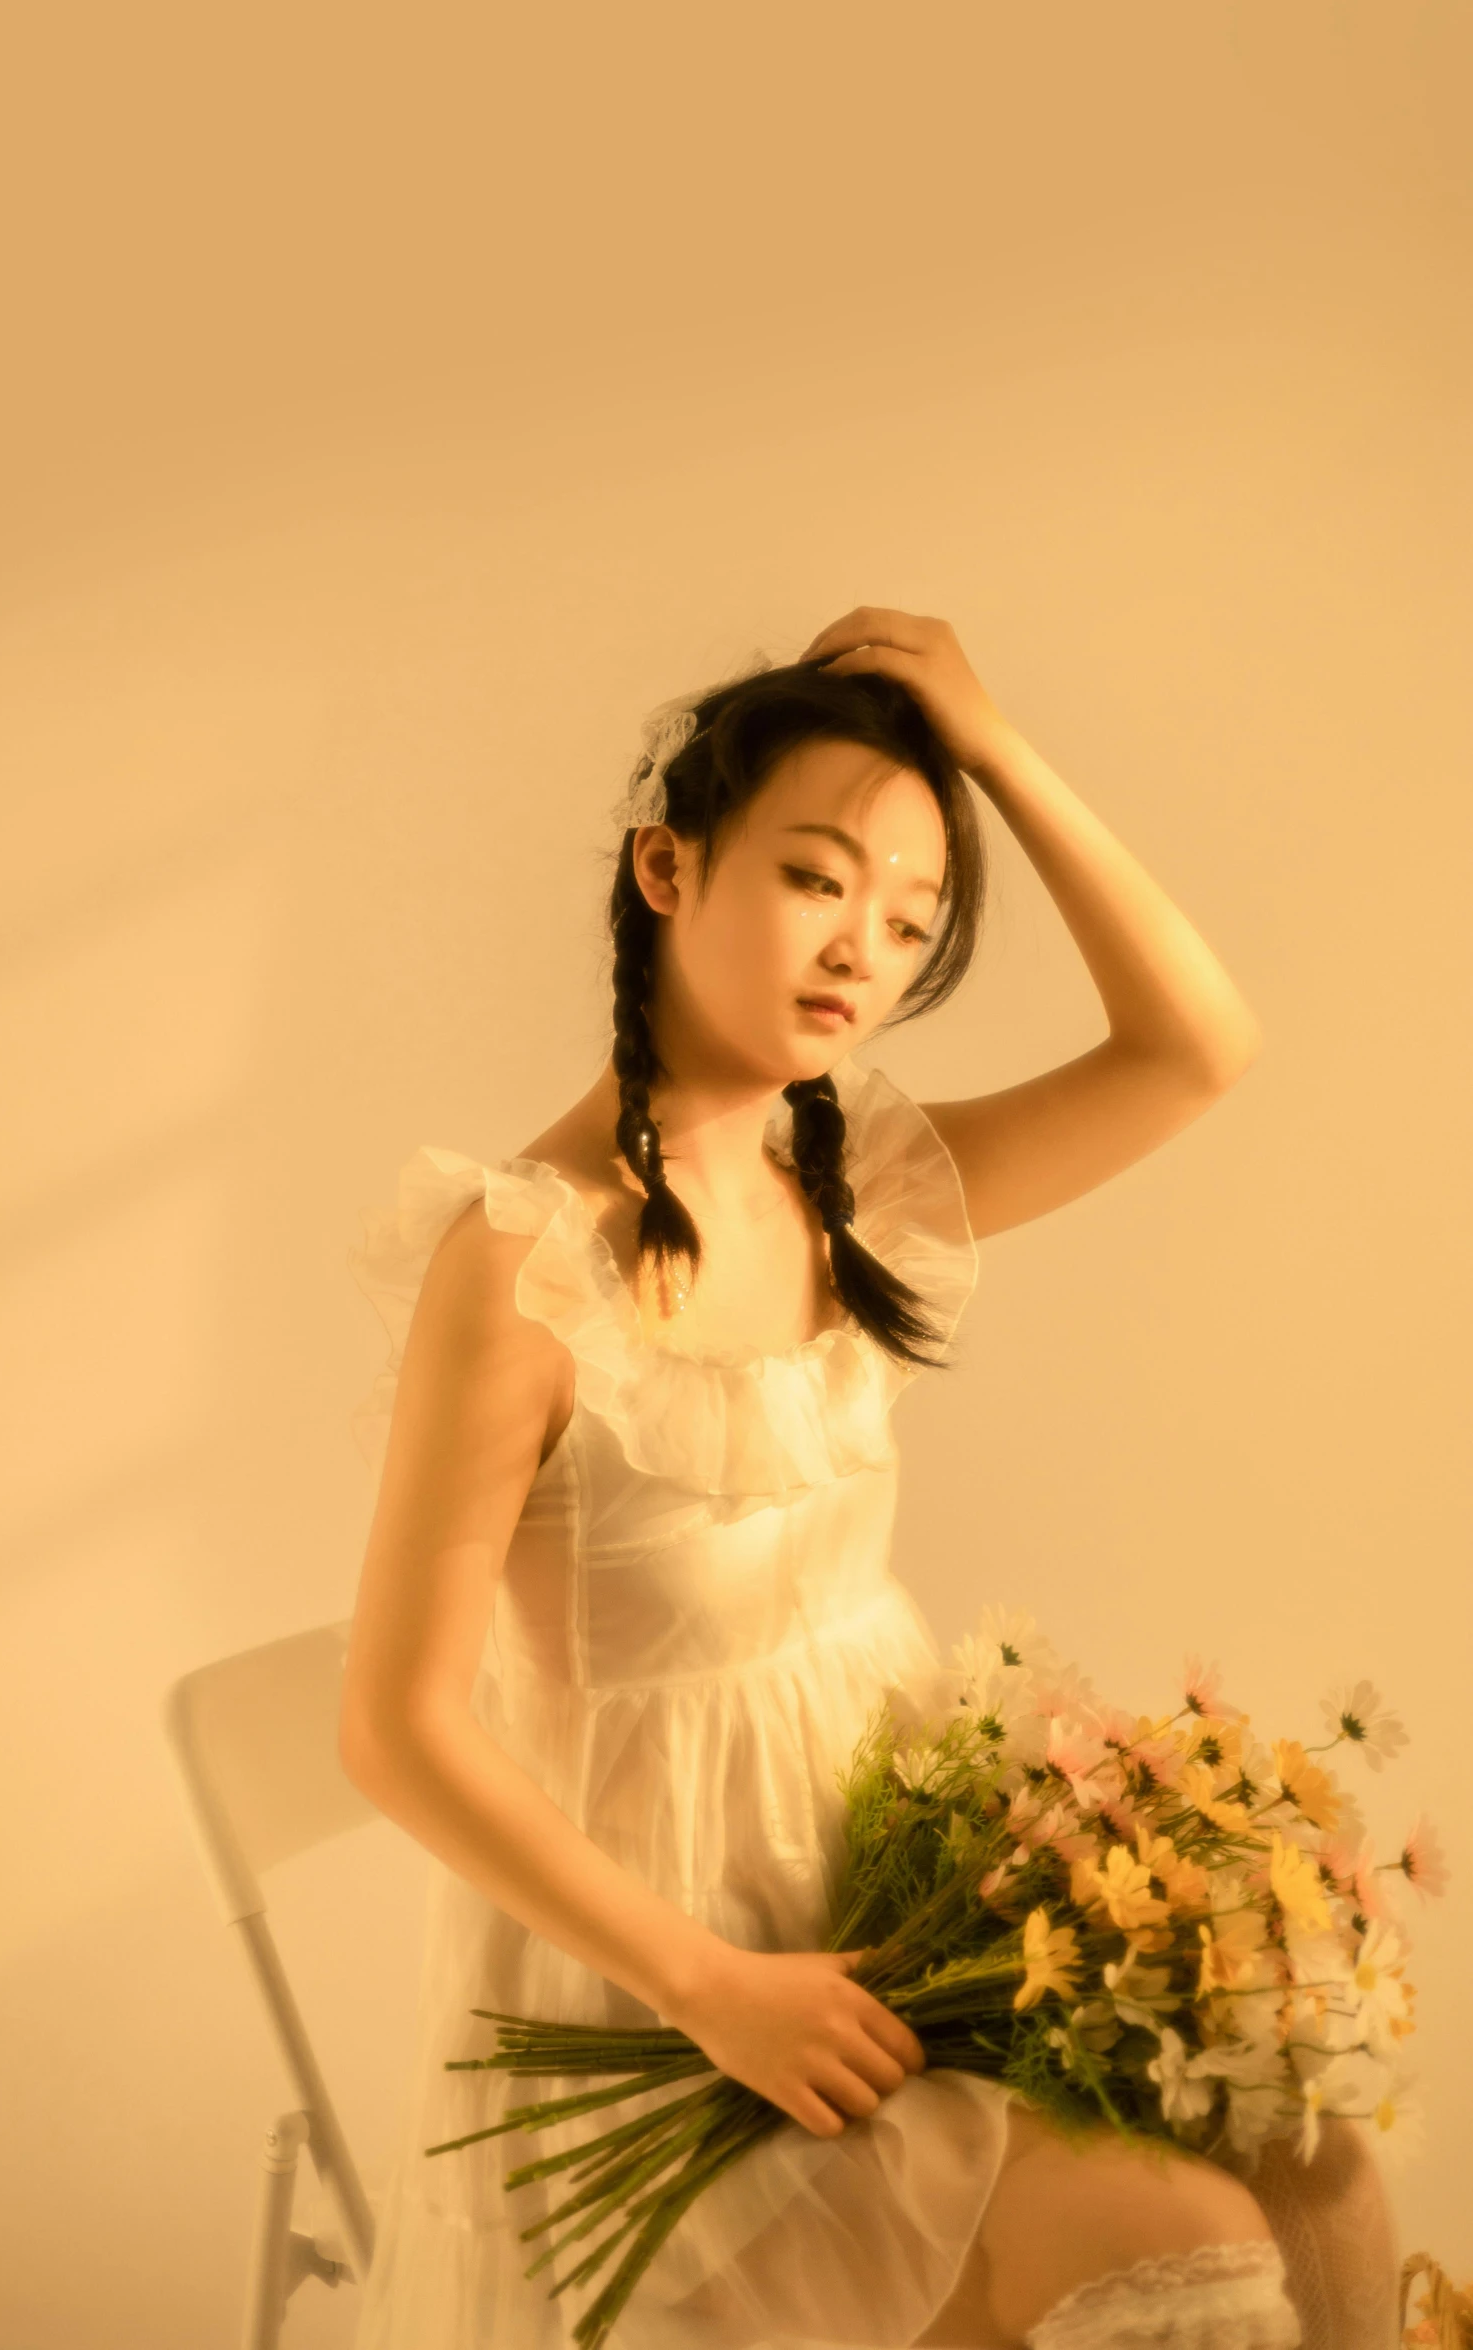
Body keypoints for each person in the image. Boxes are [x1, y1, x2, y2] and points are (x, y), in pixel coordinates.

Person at [338, 610, 1400, 2348]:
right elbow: (394, 1728)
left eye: (911, 920)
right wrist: (713, 1990)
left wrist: (990, 744)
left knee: (1317, 2163)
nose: (865, 948)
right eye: (818, 878)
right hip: (672, 1998)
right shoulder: (523, 1261)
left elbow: (1195, 1044)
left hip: (901, 1914)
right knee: (1181, 2234)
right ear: (666, 868)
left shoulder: (855, 1186)